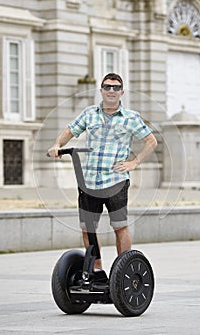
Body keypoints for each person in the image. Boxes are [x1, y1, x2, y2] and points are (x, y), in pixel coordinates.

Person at [48, 73, 157, 269]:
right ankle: (97, 270)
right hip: (89, 181)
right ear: (101, 90)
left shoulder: (131, 118)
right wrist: (57, 144)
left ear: (121, 92)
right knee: (87, 229)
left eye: (116, 88)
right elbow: (70, 130)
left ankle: (123, 270)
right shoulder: (89, 113)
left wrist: (134, 162)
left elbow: (151, 141)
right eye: (107, 87)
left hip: (116, 181)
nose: (111, 91)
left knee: (120, 227)